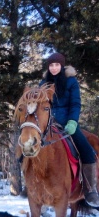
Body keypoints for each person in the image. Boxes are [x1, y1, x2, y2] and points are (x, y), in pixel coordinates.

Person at [40, 52, 99, 207]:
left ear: (62, 65)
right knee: (31, 148)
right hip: (48, 126)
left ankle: (90, 189)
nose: (53, 68)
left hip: (68, 125)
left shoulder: (71, 82)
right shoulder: (43, 84)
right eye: (51, 65)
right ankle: (35, 186)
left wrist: (72, 121)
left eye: (56, 65)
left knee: (87, 151)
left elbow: (75, 104)